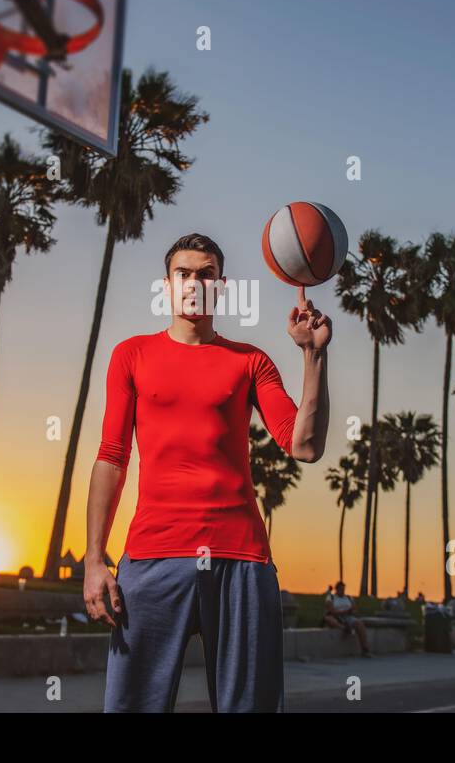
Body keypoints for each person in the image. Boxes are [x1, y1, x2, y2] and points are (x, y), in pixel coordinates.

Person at [83, 233, 331, 713]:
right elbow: (111, 456)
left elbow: (304, 445)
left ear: (221, 286)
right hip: (153, 558)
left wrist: (313, 355)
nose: (195, 282)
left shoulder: (251, 361)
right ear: (167, 285)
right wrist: (95, 559)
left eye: (206, 274)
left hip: (241, 557)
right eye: (184, 273)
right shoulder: (131, 355)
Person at [324, 581, 371, 657]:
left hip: (348, 616)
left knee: (360, 624)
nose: (342, 591)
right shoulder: (331, 597)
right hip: (336, 617)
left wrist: (351, 611)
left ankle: (365, 649)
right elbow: (332, 610)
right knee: (328, 619)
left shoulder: (349, 598)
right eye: (341, 589)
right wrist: (344, 611)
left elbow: (355, 609)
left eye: (343, 589)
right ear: (337, 589)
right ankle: (345, 629)